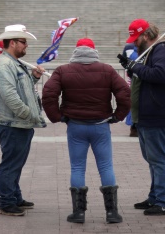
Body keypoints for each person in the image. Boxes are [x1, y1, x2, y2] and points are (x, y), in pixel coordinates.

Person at [42, 37, 131, 225]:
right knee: (106, 166)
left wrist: (57, 116)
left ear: (75, 52)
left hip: (76, 125)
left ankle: (79, 213)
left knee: (77, 167)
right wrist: (118, 115)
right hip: (100, 125)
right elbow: (125, 92)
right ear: (94, 51)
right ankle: (112, 213)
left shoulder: (63, 70)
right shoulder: (107, 70)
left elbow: (49, 93)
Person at [117, 22, 165, 216]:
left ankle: (163, 201)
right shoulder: (152, 51)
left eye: (136, 39)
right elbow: (145, 75)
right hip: (148, 112)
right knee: (152, 158)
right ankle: (156, 196)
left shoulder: (164, 50)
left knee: (158, 159)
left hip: (157, 112)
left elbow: (160, 75)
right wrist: (132, 68)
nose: (134, 43)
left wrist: (134, 66)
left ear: (145, 36)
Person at [0, 24, 46, 217]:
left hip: (18, 122)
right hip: (12, 123)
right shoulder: (4, 65)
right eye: (23, 42)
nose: (26, 45)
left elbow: (21, 89)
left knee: (16, 163)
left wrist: (34, 78)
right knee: (11, 164)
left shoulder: (13, 63)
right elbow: (10, 97)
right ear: (12, 43)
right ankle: (6, 202)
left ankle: (14, 196)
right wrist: (29, 114)